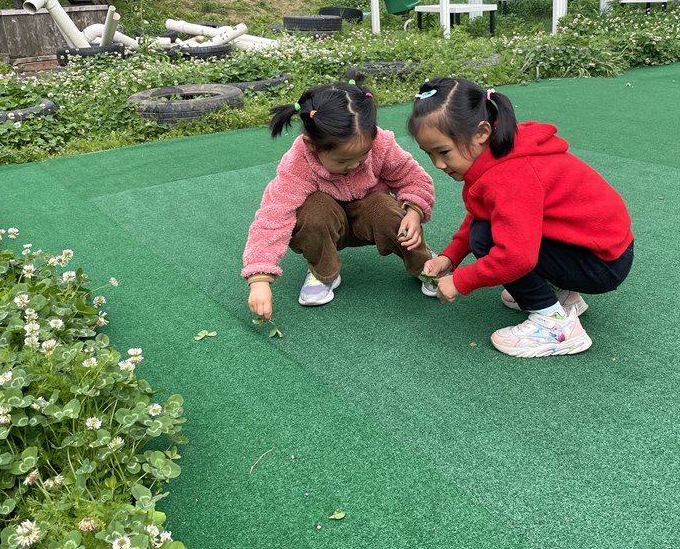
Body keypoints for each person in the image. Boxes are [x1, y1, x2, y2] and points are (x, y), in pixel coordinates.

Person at [410, 77, 634, 358]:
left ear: (482, 132)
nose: (438, 164)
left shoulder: (510, 175)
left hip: (601, 265)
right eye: (429, 153)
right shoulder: (502, 148)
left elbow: (515, 257)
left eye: (443, 151)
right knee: (488, 229)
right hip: (597, 251)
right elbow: (484, 213)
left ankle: (556, 326)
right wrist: (450, 257)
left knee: (486, 238)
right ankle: (563, 297)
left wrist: (460, 281)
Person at [243, 81, 438, 320]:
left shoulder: (380, 144)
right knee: (314, 209)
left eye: (362, 156)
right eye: (343, 160)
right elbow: (273, 216)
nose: (355, 165)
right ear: (312, 146)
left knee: (389, 210)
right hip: (326, 224)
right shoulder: (298, 164)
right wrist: (259, 279)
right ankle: (323, 272)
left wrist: (415, 211)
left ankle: (425, 265)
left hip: (370, 216)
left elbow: (415, 179)